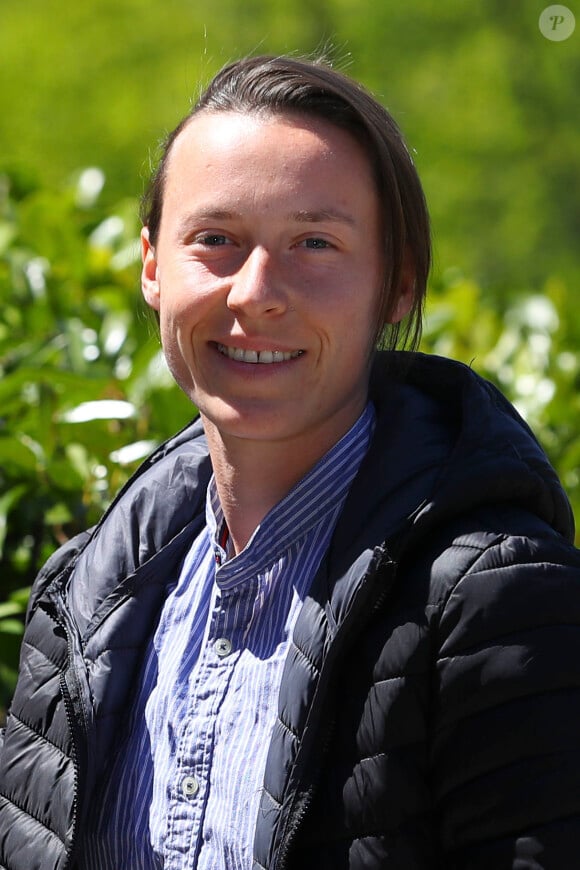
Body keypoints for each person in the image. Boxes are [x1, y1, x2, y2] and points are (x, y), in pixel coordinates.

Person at [1, 54, 580, 870]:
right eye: (217, 240)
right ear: (152, 267)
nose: (257, 293)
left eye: (315, 242)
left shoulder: (498, 603)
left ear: (399, 282)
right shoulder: (80, 606)